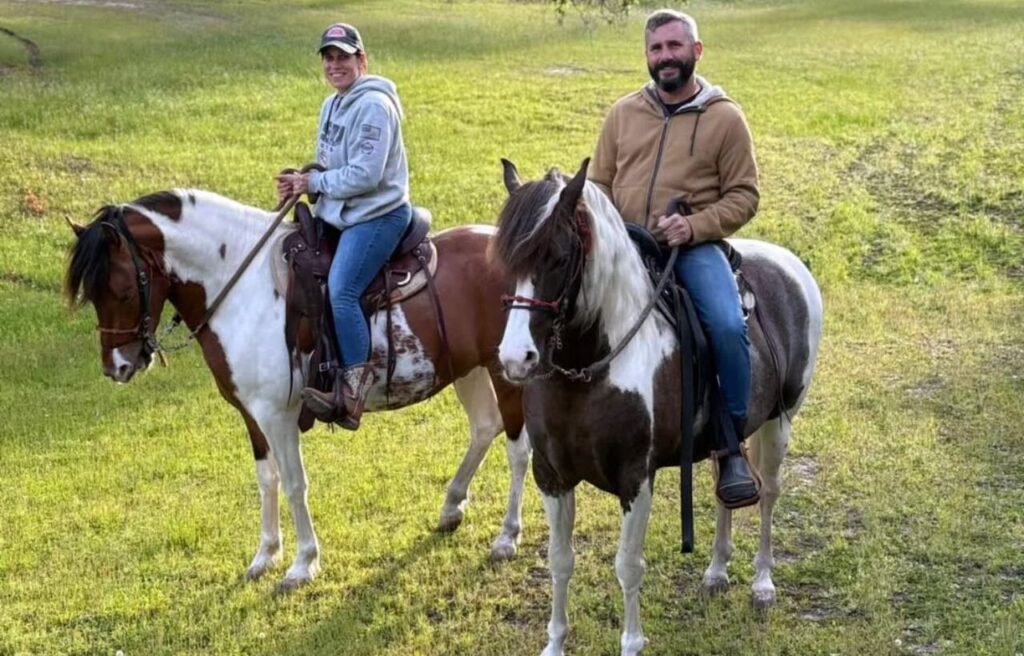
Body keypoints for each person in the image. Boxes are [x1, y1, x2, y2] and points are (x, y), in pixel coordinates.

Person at [588, 9, 760, 507]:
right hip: (625, 246)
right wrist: (608, 229)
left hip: (692, 248)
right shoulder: (624, 113)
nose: (665, 57)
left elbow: (745, 195)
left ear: (696, 51)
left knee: (726, 325)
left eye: (674, 47)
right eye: (656, 49)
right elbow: (598, 184)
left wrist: (694, 226)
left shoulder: (724, 117)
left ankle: (731, 445)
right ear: (647, 56)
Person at [276, 22, 411, 430]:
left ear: (362, 61)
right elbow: (332, 165)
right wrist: (303, 184)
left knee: (342, 289)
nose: (335, 65)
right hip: (341, 213)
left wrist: (312, 183)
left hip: (377, 215)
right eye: (329, 58)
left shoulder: (373, 106)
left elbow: (367, 174)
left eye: (344, 57)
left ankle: (354, 389)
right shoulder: (331, 104)